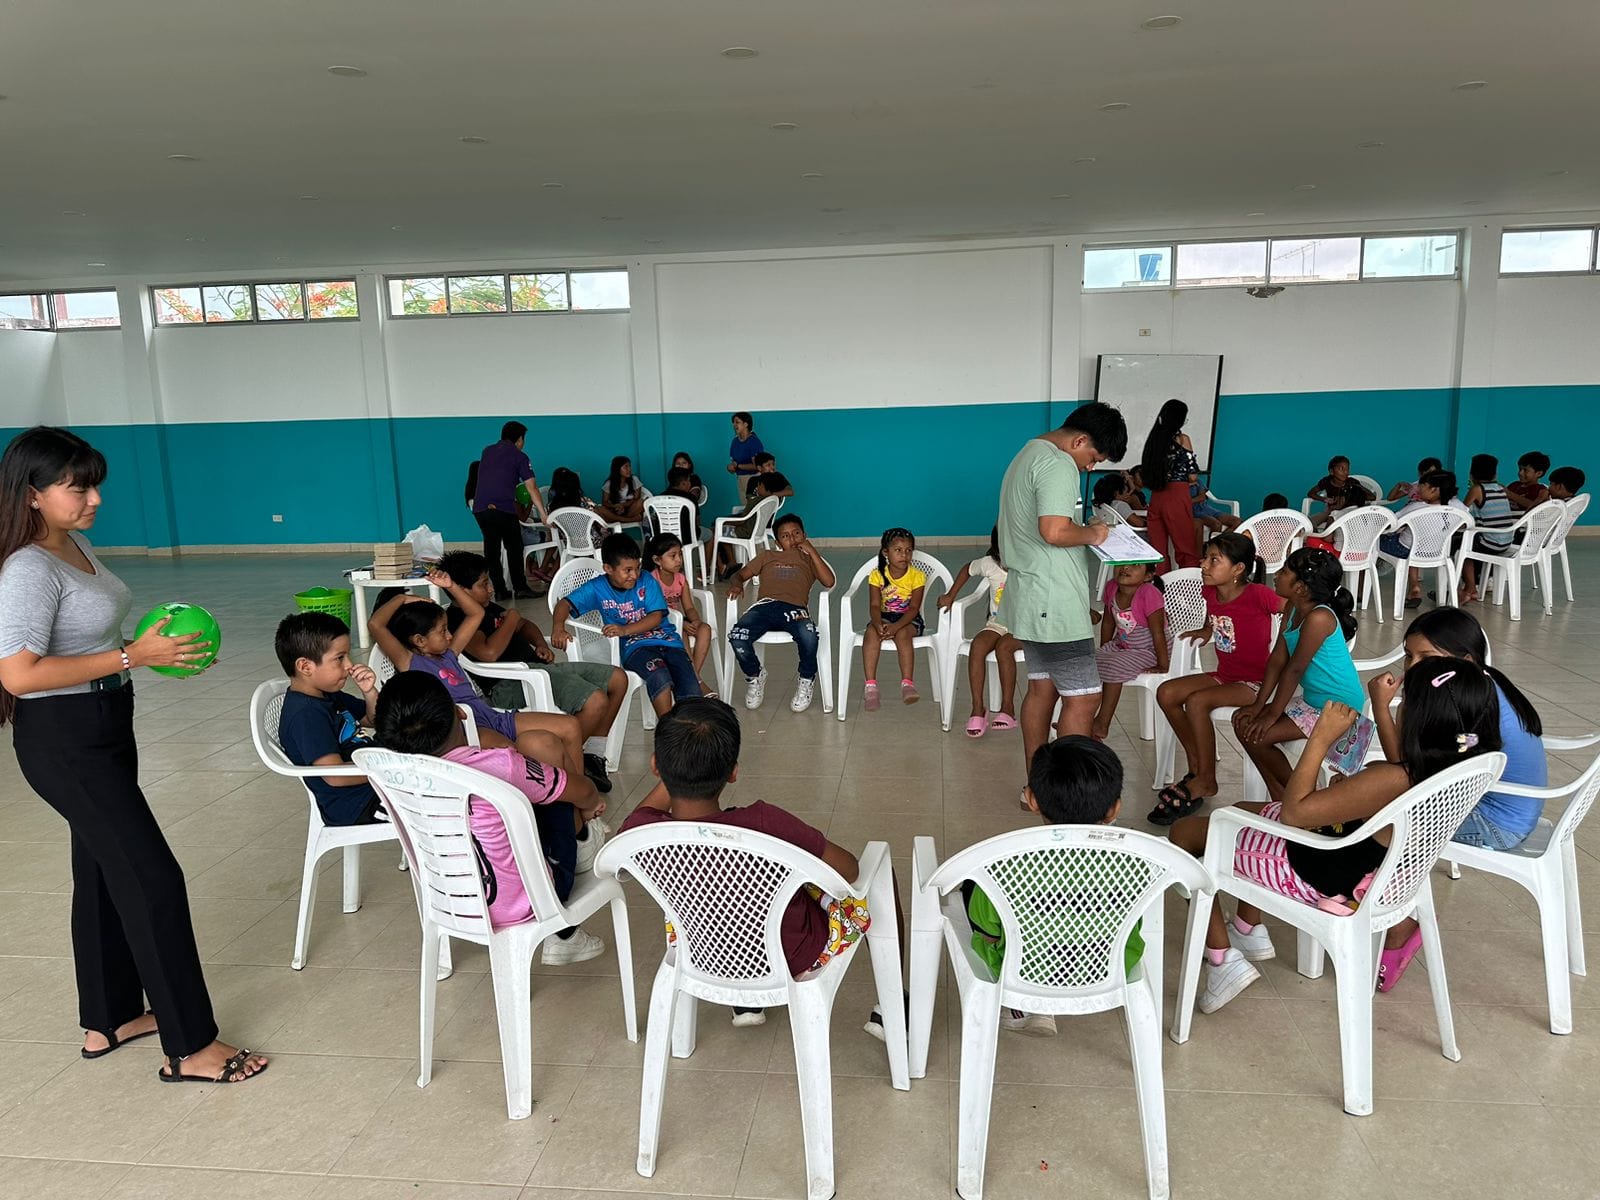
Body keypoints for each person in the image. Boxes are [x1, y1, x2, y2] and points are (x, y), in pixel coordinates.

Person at [0, 426, 266, 1084]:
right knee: (153, 880)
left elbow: (91, 635)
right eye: (78, 488)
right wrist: (131, 656)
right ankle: (191, 1046)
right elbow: (19, 675)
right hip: (64, 738)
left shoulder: (73, 543)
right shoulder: (28, 568)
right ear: (32, 494)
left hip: (104, 723)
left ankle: (111, 1017)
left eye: (95, 485)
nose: (94, 499)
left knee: (99, 869)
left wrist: (157, 650)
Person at [1169, 659, 1501, 1014]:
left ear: (1422, 719)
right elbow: (1398, 770)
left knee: (1185, 833)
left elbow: (1294, 814)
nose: (1401, 707)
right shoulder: (1455, 762)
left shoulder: (1393, 779)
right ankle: (1247, 929)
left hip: (1309, 865)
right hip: (1354, 858)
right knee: (1239, 810)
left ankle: (1222, 960)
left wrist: (1320, 737)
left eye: (1405, 702)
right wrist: (1379, 712)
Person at [620, 697, 871, 1029]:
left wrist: (676, 769)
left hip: (702, 954)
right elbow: (849, 870)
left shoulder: (643, 833)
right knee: (873, 878)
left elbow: (633, 827)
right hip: (791, 954)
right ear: (733, 772)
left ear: (655, 766)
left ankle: (744, 1002)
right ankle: (896, 1005)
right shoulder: (765, 823)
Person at [1367, 608, 1547, 990]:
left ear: (1465, 659)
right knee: (1373, 788)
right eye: (1409, 656)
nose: (1413, 667)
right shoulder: (1480, 684)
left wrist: (1382, 707)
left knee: (1381, 811)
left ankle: (1398, 925)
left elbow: (1405, 771)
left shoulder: (1463, 705)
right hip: (1510, 807)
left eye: (1427, 658)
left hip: (1497, 823)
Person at [373, 672, 608, 964]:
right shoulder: (500, 765)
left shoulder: (391, 779)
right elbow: (583, 791)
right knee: (555, 791)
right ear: (459, 712)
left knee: (512, 807)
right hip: (529, 903)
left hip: (451, 903)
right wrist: (590, 805)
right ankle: (564, 926)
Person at [965, 736, 1139, 1037]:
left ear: (1032, 800)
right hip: (1109, 968)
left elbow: (987, 929)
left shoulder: (1004, 866)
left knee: (973, 887)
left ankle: (1022, 1004)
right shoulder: (1137, 863)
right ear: (1114, 809)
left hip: (1025, 973)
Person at [997, 402, 1128, 787]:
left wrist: (1081, 528)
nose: (1089, 467)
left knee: (1042, 689)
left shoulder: (1028, 453)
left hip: (1032, 593)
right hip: (1053, 599)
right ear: (1080, 440)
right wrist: (1094, 533)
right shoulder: (1058, 463)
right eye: (1094, 458)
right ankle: (1067, 796)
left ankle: (1037, 788)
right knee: (1084, 697)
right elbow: (1054, 531)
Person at [434, 550, 627, 793]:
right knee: (596, 701)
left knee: (618, 679)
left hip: (538, 668)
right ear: (461, 589)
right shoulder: (458, 619)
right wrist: (512, 619)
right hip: (509, 683)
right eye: (483, 584)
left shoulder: (489, 607)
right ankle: (567, 765)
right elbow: (489, 653)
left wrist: (539, 644)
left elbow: (526, 625)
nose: (491, 589)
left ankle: (592, 756)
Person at [369, 574, 586, 771]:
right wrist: (402, 599)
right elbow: (376, 625)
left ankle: (581, 791)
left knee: (570, 726)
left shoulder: (449, 654)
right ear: (419, 640)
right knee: (515, 755)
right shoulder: (409, 662)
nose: (450, 636)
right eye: (443, 631)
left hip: (492, 717)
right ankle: (552, 793)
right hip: (466, 728)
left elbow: (476, 613)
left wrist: (451, 585)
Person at [1150, 532, 1278, 825]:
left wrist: (1288, 648)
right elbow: (1216, 623)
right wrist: (1206, 632)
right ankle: (1197, 764)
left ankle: (1206, 779)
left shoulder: (1259, 595)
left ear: (1238, 569)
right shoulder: (1210, 592)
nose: (1203, 564)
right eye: (1205, 557)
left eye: (1214, 560)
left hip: (1256, 683)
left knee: (1197, 702)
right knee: (1167, 693)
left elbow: (1294, 608)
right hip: (1225, 675)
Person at [1232, 546, 1364, 802]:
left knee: (1258, 735)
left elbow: (1294, 669)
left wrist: (1271, 715)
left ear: (1301, 588)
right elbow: (1277, 659)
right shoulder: (1293, 607)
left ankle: (1301, 798)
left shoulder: (1319, 618)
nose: (1276, 575)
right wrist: (1259, 705)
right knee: (1245, 726)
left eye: (1284, 571)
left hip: (1338, 707)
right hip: (1314, 701)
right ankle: (1280, 797)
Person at [552, 534, 701, 716]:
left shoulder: (646, 580)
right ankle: (667, 726)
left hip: (669, 641)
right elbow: (563, 604)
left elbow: (656, 617)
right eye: (628, 570)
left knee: (690, 687)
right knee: (660, 676)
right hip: (635, 647)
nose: (635, 575)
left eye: (637, 568)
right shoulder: (597, 587)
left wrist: (624, 630)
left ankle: (686, 728)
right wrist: (558, 628)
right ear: (608, 568)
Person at [274, 612, 384, 824]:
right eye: (340, 658)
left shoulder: (327, 695)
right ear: (305, 667)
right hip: (357, 804)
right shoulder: (306, 715)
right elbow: (336, 776)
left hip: (374, 784)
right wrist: (390, 772)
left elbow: (372, 719)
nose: (349, 665)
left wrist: (369, 691)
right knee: (440, 801)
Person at [726, 513, 837, 714]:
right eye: (785, 536)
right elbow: (739, 574)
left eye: (796, 534)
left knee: (809, 634)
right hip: (764, 607)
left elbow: (829, 581)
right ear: (778, 542)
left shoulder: (810, 559)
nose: (792, 539)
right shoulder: (767, 556)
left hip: (795, 609)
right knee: (737, 636)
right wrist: (737, 584)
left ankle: (806, 678)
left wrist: (812, 551)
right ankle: (755, 675)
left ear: (805, 535)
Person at [937, 525, 1021, 737]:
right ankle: (977, 708)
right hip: (997, 623)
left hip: (1024, 626)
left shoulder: (1030, 563)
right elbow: (967, 569)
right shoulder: (989, 564)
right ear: (996, 547)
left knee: (1004, 648)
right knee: (977, 646)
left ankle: (1008, 708)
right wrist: (951, 595)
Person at [1092, 563, 1168, 741]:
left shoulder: (1148, 593)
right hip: (1123, 645)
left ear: (1148, 576)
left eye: (1135, 565)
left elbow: (1158, 633)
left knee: (1114, 665)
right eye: (1121, 563)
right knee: (1087, 660)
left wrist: (1163, 664)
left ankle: (1102, 723)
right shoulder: (1111, 587)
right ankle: (1080, 717)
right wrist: (1104, 650)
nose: (1125, 568)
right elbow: (1108, 623)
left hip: (1150, 650)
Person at [473, 421, 548, 600]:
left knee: (492, 550)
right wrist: (543, 514)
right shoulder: (520, 456)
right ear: (520, 439)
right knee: (514, 547)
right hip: (503, 508)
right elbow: (532, 487)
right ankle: (520, 588)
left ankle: (499, 590)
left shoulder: (487, 451)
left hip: (481, 508)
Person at [1378, 469, 1470, 608]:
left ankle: (1364, 589)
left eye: (1422, 486)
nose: (1418, 489)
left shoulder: (1416, 507)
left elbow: (1391, 524)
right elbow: (1466, 523)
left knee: (1378, 541)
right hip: (1438, 551)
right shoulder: (1457, 506)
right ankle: (1415, 587)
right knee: (1415, 544)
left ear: (1433, 489)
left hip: (1404, 549)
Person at [861, 527, 927, 709]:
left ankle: (907, 684)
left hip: (909, 619)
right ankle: (871, 687)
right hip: (883, 617)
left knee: (903, 634)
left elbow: (914, 608)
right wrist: (877, 624)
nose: (904, 555)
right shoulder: (877, 575)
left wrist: (897, 626)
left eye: (908, 550)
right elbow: (875, 605)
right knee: (871, 634)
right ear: (886, 552)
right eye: (898, 550)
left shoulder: (917, 576)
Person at [644, 533, 716, 698]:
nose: (678, 560)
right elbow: (656, 611)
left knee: (705, 629)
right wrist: (682, 624)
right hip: (661, 622)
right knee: (680, 633)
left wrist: (695, 620)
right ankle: (697, 682)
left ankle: (691, 678)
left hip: (679, 619)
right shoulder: (652, 581)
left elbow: (689, 607)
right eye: (673, 556)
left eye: (680, 555)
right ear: (657, 560)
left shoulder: (680, 579)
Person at [1139, 399, 1201, 571]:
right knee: (1185, 549)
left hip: (1157, 497)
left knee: (1158, 552)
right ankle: (1189, 585)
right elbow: (1192, 476)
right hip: (1177, 496)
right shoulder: (1182, 439)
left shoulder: (1153, 442)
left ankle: (1160, 586)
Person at [1461, 454, 1517, 602]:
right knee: (1472, 541)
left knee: (1460, 547)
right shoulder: (1500, 488)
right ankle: (1478, 581)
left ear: (1471, 475)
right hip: (1506, 541)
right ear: (1495, 474)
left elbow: (1461, 512)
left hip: (1490, 543)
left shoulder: (1477, 489)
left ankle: (1470, 588)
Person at [1306, 455, 1373, 530]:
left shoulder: (1352, 483)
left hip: (1347, 513)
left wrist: (1358, 486)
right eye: (1341, 469)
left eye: (1347, 469)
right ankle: (1316, 535)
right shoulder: (1326, 481)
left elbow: (1372, 497)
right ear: (1331, 471)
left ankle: (1326, 535)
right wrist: (1325, 499)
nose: (1346, 472)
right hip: (1331, 511)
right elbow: (1311, 493)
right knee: (1308, 523)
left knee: (1332, 519)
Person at [597, 455, 646, 526]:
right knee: (598, 509)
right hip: (615, 510)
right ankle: (627, 520)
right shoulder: (609, 483)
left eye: (629, 466)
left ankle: (617, 519)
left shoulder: (634, 479)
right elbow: (605, 502)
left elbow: (636, 499)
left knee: (641, 502)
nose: (629, 469)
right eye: (626, 467)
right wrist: (615, 506)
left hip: (630, 509)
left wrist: (623, 505)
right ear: (617, 469)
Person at [726, 412, 765, 481]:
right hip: (740, 479)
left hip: (754, 479)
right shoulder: (735, 442)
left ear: (746, 424)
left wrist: (738, 466)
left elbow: (757, 466)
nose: (734, 425)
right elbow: (734, 462)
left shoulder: (754, 442)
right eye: (733, 423)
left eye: (737, 422)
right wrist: (730, 467)